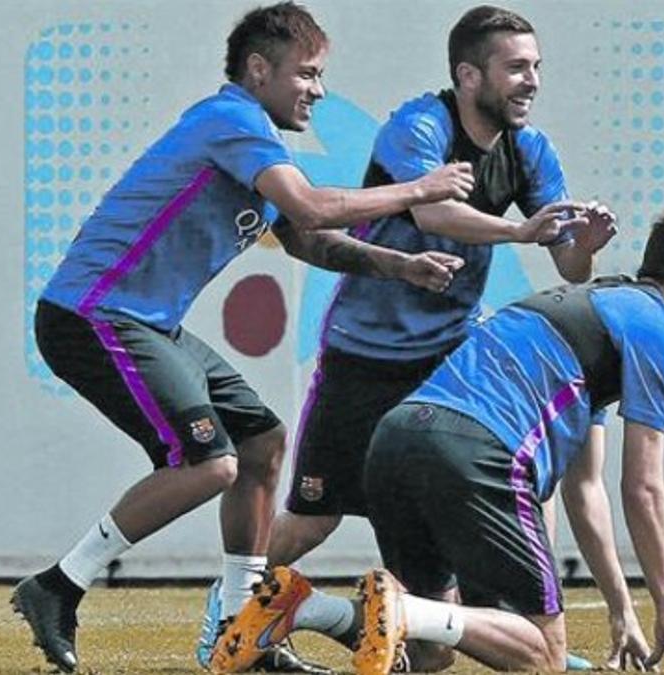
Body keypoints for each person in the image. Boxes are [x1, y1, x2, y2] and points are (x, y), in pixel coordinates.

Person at [9, 3, 476, 673]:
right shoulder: (231, 120)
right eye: (306, 74)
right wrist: (417, 190)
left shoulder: (253, 138)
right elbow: (313, 205)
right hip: (93, 314)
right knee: (209, 463)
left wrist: (397, 264)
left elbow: (307, 237)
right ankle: (58, 584)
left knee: (262, 442)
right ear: (259, 70)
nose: (317, 89)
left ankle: (240, 627)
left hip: (147, 324)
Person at [195, 6, 616, 668]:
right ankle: (228, 610)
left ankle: (534, 636)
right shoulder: (419, 124)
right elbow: (432, 209)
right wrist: (517, 233)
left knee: (516, 494)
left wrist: (580, 247)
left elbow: (567, 260)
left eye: (536, 66)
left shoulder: (531, 150)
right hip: (365, 354)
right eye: (516, 68)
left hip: (449, 363)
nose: (531, 80)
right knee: (313, 517)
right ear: (468, 75)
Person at [211, 205, 664, 674]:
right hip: (475, 452)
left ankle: (302, 606)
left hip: (396, 441)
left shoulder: (596, 317)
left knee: (430, 651)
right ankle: (400, 610)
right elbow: (643, 488)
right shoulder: (654, 330)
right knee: (543, 654)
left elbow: (585, 492)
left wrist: (622, 610)